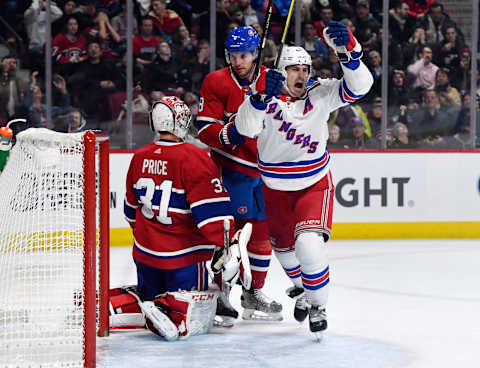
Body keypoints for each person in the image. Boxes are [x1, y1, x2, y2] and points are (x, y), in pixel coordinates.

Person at [232, 22, 373, 334]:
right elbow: (245, 129)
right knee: (284, 251)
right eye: (294, 69)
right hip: (274, 190)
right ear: (281, 71)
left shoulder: (320, 93)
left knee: (308, 245)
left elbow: (361, 86)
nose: (301, 75)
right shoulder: (265, 95)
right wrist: (256, 99)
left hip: (313, 186)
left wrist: (349, 53)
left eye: (305, 68)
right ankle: (306, 293)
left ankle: (319, 305)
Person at [123, 96, 246, 340]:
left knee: (153, 301)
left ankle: (150, 306)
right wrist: (228, 242)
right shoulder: (194, 157)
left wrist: (151, 237)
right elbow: (213, 219)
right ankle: (173, 310)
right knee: (192, 321)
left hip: (145, 256)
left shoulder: (139, 157)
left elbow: (130, 212)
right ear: (181, 121)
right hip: (183, 261)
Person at [195, 26, 282, 324]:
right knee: (227, 237)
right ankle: (221, 297)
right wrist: (232, 133)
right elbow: (205, 129)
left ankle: (253, 294)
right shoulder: (216, 81)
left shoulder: (272, 80)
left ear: (255, 54)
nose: (238, 61)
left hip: (266, 173)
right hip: (230, 170)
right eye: (233, 55)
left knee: (261, 236)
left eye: (244, 55)